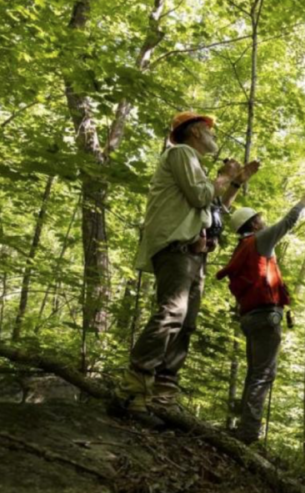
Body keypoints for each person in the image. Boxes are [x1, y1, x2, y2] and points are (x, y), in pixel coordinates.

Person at [114, 111, 259, 421]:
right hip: (175, 249)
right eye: (209, 130)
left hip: (195, 254)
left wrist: (234, 183)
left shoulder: (192, 163)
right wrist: (224, 175)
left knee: (186, 322)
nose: (213, 136)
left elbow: (215, 208)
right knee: (170, 314)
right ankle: (132, 392)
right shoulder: (180, 153)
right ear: (195, 132)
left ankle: (162, 398)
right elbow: (200, 194)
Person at [215, 185, 305, 444]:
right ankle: (248, 434)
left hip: (249, 317)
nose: (263, 220)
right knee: (262, 375)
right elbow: (289, 222)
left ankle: (244, 429)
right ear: (254, 223)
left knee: (254, 374)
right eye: (259, 218)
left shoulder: (241, 249)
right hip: (265, 316)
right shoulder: (260, 240)